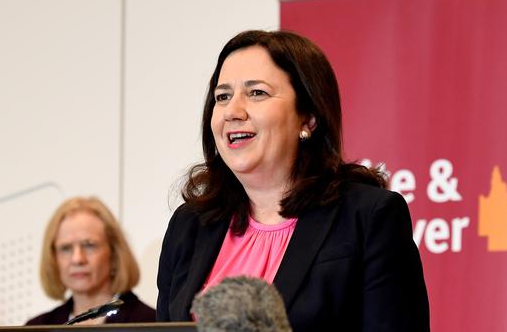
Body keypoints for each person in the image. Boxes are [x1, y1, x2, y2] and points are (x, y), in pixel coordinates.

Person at [156, 30, 430, 331]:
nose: (232, 111)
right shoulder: (190, 225)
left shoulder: (368, 218)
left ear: (308, 118)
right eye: (222, 97)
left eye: (256, 92)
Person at [26, 196, 155, 325]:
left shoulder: (149, 323)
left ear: (114, 252)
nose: (77, 259)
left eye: (89, 245)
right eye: (66, 248)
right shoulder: (37, 327)